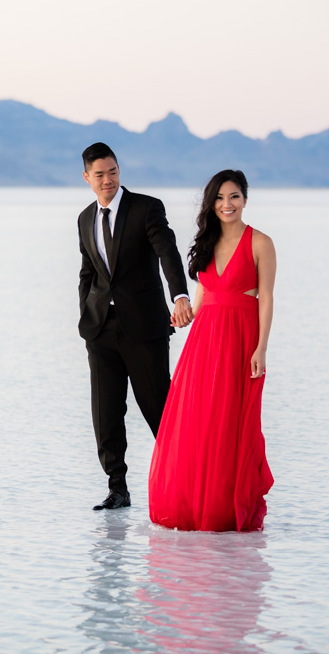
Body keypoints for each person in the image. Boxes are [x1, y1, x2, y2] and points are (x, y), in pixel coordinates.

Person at [148, 169, 276, 531]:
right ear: (211, 204)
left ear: (246, 199)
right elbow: (205, 295)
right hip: (203, 343)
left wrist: (261, 348)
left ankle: (222, 506)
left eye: (234, 196)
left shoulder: (260, 243)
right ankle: (190, 503)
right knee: (198, 421)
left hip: (240, 340)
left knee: (232, 422)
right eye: (220, 198)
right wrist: (184, 316)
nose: (227, 204)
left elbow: (265, 298)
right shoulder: (206, 242)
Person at [77, 142, 193, 511]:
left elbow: (167, 252)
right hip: (101, 330)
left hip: (144, 328)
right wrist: (86, 316)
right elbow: (88, 272)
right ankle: (118, 488)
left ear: (119, 171)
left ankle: (184, 480)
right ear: (87, 178)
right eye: (100, 174)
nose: (108, 179)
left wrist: (179, 296)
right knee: (106, 412)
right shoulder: (84, 219)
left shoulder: (146, 208)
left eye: (113, 171)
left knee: (160, 408)